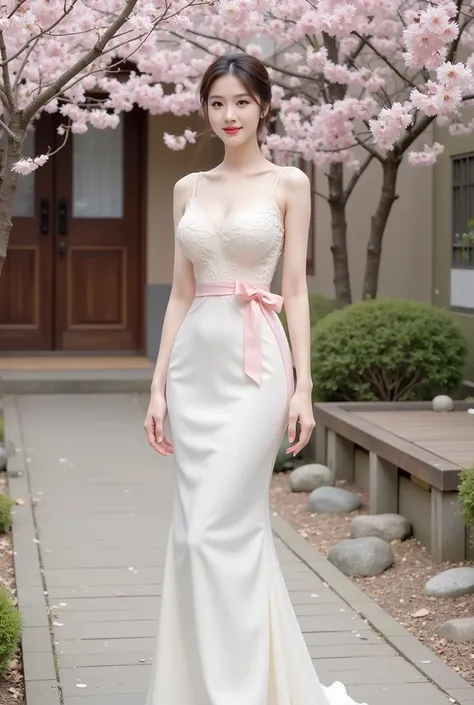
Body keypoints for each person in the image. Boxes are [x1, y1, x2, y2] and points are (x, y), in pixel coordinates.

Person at [143, 52, 367, 705]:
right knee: (197, 533)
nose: (229, 115)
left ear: (264, 105)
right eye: (217, 103)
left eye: (241, 101)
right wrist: (157, 386)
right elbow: (181, 295)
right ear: (206, 109)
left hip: (256, 367)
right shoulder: (188, 188)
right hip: (194, 368)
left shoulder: (289, 183)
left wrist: (303, 385)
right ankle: (213, 686)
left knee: (215, 526)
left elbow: (294, 289)